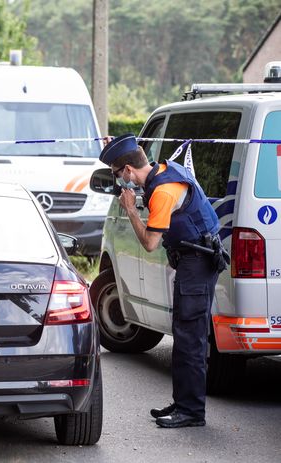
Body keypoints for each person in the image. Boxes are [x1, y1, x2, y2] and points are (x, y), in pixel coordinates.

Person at [99, 134, 224, 428]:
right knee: (183, 334)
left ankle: (191, 411)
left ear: (128, 171)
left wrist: (130, 209)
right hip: (193, 260)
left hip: (198, 263)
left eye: (118, 176)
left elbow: (150, 243)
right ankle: (183, 403)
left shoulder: (163, 192)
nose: (120, 184)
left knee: (190, 338)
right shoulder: (163, 172)